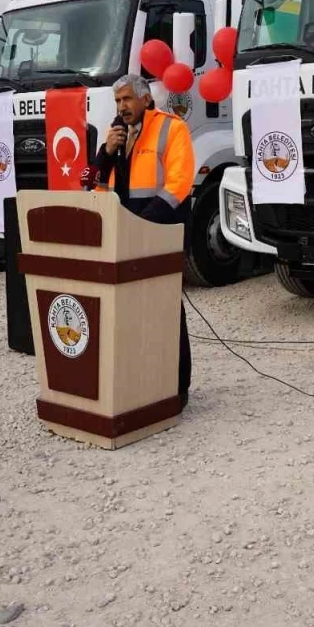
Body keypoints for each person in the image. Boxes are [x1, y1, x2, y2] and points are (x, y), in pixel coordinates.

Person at [91, 74, 196, 408]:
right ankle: (140, 384)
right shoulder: (113, 137)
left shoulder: (171, 128)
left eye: (127, 100)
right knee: (129, 313)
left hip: (159, 231)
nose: (122, 107)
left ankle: (177, 389)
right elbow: (94, 184)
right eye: (118, 101)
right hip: (121, 235)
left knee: (165, 310)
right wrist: (106, 153)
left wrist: (143, 224)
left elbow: (179, 183)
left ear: (146, 99)